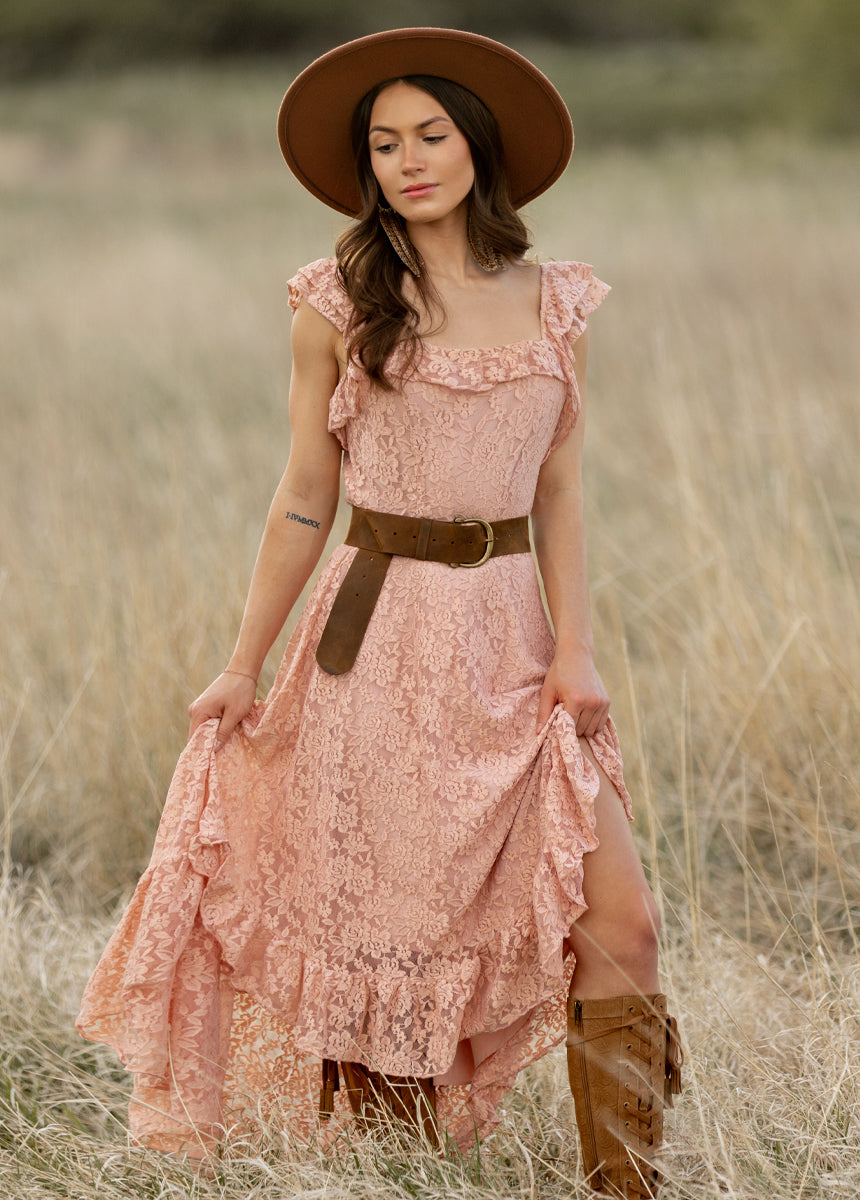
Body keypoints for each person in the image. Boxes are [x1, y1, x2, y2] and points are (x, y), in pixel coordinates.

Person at [77, 27, 682, 1197]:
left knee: (622, 922)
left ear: (477, 144)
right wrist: (241, 664)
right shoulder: (336, 302)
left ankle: (629, 1188)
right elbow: (305, 494)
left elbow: (557, 489)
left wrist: (577, 653)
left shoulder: (555, 303)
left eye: (431, 135)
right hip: (376, 642)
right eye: (383, 143)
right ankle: (403, 1179)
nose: (408, 161)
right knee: (391, 954)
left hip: (510, 643)